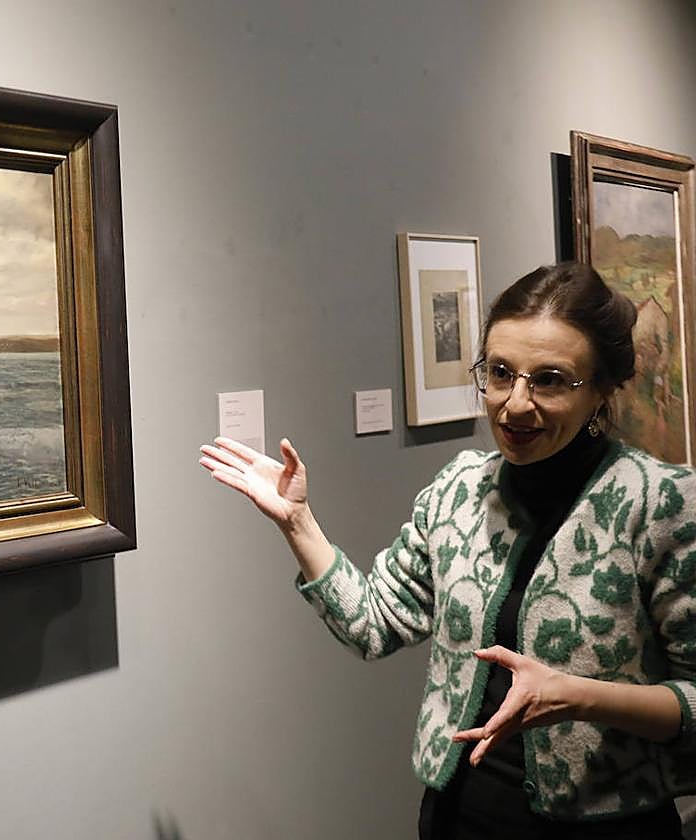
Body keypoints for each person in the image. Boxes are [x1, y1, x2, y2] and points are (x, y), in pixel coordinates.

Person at [199, 262, 696, 838]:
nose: (514, 405)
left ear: (604, 388)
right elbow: (373, 624)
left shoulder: (661, 505)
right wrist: (298, 521)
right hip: (460, 818)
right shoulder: (460, 489)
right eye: (501, 373)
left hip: (608, 825)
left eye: (551, 380)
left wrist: (579, 696)